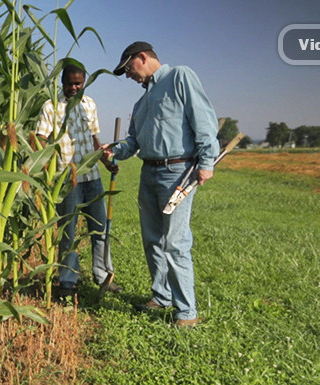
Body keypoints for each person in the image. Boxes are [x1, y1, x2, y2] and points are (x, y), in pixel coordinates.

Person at [104, 41, 219, 327]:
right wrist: (114, 150)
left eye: (128, 68)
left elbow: (203, 119)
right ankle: (161, 297)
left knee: (175, 242)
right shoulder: (141, 103)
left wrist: (206, 161)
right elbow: (133, 142)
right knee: (152, 240)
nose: (128, 75)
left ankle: (186, 313)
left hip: (178, 171)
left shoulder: (179, 77)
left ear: (142, 58)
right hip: (150, 173)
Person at [35, 64, 121, 299]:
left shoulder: (89, 104)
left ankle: (103, 276)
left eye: (78, 83)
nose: (74, 87)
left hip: (92, 177)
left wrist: (104, 161)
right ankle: (68, 282)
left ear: (83, 83)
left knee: (100, 228)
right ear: (62, 82)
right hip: (66, 180)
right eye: (70, 83)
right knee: (68, 232)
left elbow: (94, 138)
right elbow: (40, 139)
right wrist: (44, 167)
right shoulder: (51, 106)